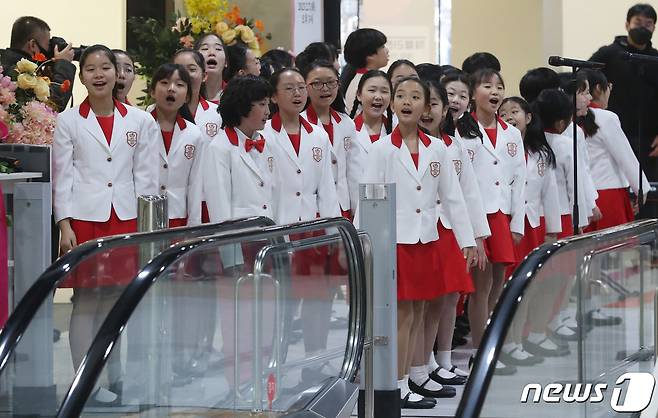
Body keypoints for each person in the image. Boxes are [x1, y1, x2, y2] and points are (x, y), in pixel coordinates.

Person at [52, 44, 159, 404]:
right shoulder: (69, 121)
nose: (99, 74)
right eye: (90, 69)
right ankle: (85, 385)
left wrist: (146, 229)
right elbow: (62, 176)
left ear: (118, 73)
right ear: (81, 77)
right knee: (86, 300)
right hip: (85, 220)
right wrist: (64, 224)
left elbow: (146, 178)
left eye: (105, 67)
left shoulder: (140, 121)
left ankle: (112, 377)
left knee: (114, 300)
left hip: (126, 219)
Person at [361, 76, 474, 409]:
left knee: (421, 310)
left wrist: (467, 239)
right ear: (393, 104)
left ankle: (415, 374)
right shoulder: (381, 149)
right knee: (404, 316)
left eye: (414, 97)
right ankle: (397, 386)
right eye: (400, 96)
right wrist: (362, 244)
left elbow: (452, 197)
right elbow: (368, 199)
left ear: (426, 106)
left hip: (427, 240)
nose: (406, 102)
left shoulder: (437, 148)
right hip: (396, 242)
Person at [417, 77, 488, 386]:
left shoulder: (454, 145)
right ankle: (423, 363)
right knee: (424, 300)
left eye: (434, 104)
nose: (427, 111)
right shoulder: (406, 144)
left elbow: (469, 193)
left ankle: (442, 359)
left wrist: (477, 237)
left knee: (448, 298)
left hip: (450, 230)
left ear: (445, 110)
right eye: (423, 103)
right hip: (422, 230)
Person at [456, 68, 526, 374]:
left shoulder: (512, 133)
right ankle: (479, 352)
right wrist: (472, 231)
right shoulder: (461, 131)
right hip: (477, 215)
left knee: (498, 285)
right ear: (473, 93)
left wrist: (517, 223)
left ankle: (492, 347)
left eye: (499, 86)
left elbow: (519, 180)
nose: (495, 92)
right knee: (480, 288)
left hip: (502, 215)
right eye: (487, 86)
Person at [498, 96, 561, 366]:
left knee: (529, 287)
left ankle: (519, 340)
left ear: (528, 117)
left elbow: (550, 194)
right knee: (506, 287)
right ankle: (506, 342)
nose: (509, 116)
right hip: (507, 226)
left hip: (532, 227)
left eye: (515, 111)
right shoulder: (499, 149)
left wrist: (553, 231)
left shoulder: (541, 154)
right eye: (503, 113)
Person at [590, 4, 658, 188]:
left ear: (654, 27)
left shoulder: (655, 58)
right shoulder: (608, 54)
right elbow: (585, 78)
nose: (642, 27)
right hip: (613, 134)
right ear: (627, 24)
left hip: (650, 142)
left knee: (649, 192)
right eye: (638, 22)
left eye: (648, 24)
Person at [148, 63, 203, 228]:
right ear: (152, 91)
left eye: (179, 85)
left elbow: (195, 182)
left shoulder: (194, 134)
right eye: (164, 83)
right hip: (145, 213)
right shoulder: (139, 126)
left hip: (178, 216)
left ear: (187, 97)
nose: (171, 89)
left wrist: (194, 224)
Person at [301, 59, 355, 218]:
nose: (325, 88)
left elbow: (353, 171)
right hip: (313, 209)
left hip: (343, 205)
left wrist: (357, 209)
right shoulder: (299, 123)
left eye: (331, 82)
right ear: (305, 87)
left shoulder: (346, 123)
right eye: (317, 83)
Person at [1, 16, 76, 111]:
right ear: (32, 45)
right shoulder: (15, 73)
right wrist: (64, 63)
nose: (49, 51)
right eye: (48, 45)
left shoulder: (5, 62)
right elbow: (52, 105)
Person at [347, 70, 392, 211]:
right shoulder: (347, 131)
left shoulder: (398, 131)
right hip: (355, 211)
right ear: (359, 95)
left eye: (384, 91)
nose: (378, 96)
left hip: (392, 211)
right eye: (372, 90)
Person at [340, 28, 389, 115]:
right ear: (370, 55)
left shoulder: (359, 79)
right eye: (382, 47)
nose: (387, 50)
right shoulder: (363, 82)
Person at [194, 33, 227, 104]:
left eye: (218, 49)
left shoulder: (236, 95)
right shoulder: (185, 97)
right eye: (205, 49)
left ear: (226, 62)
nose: (212, 53)